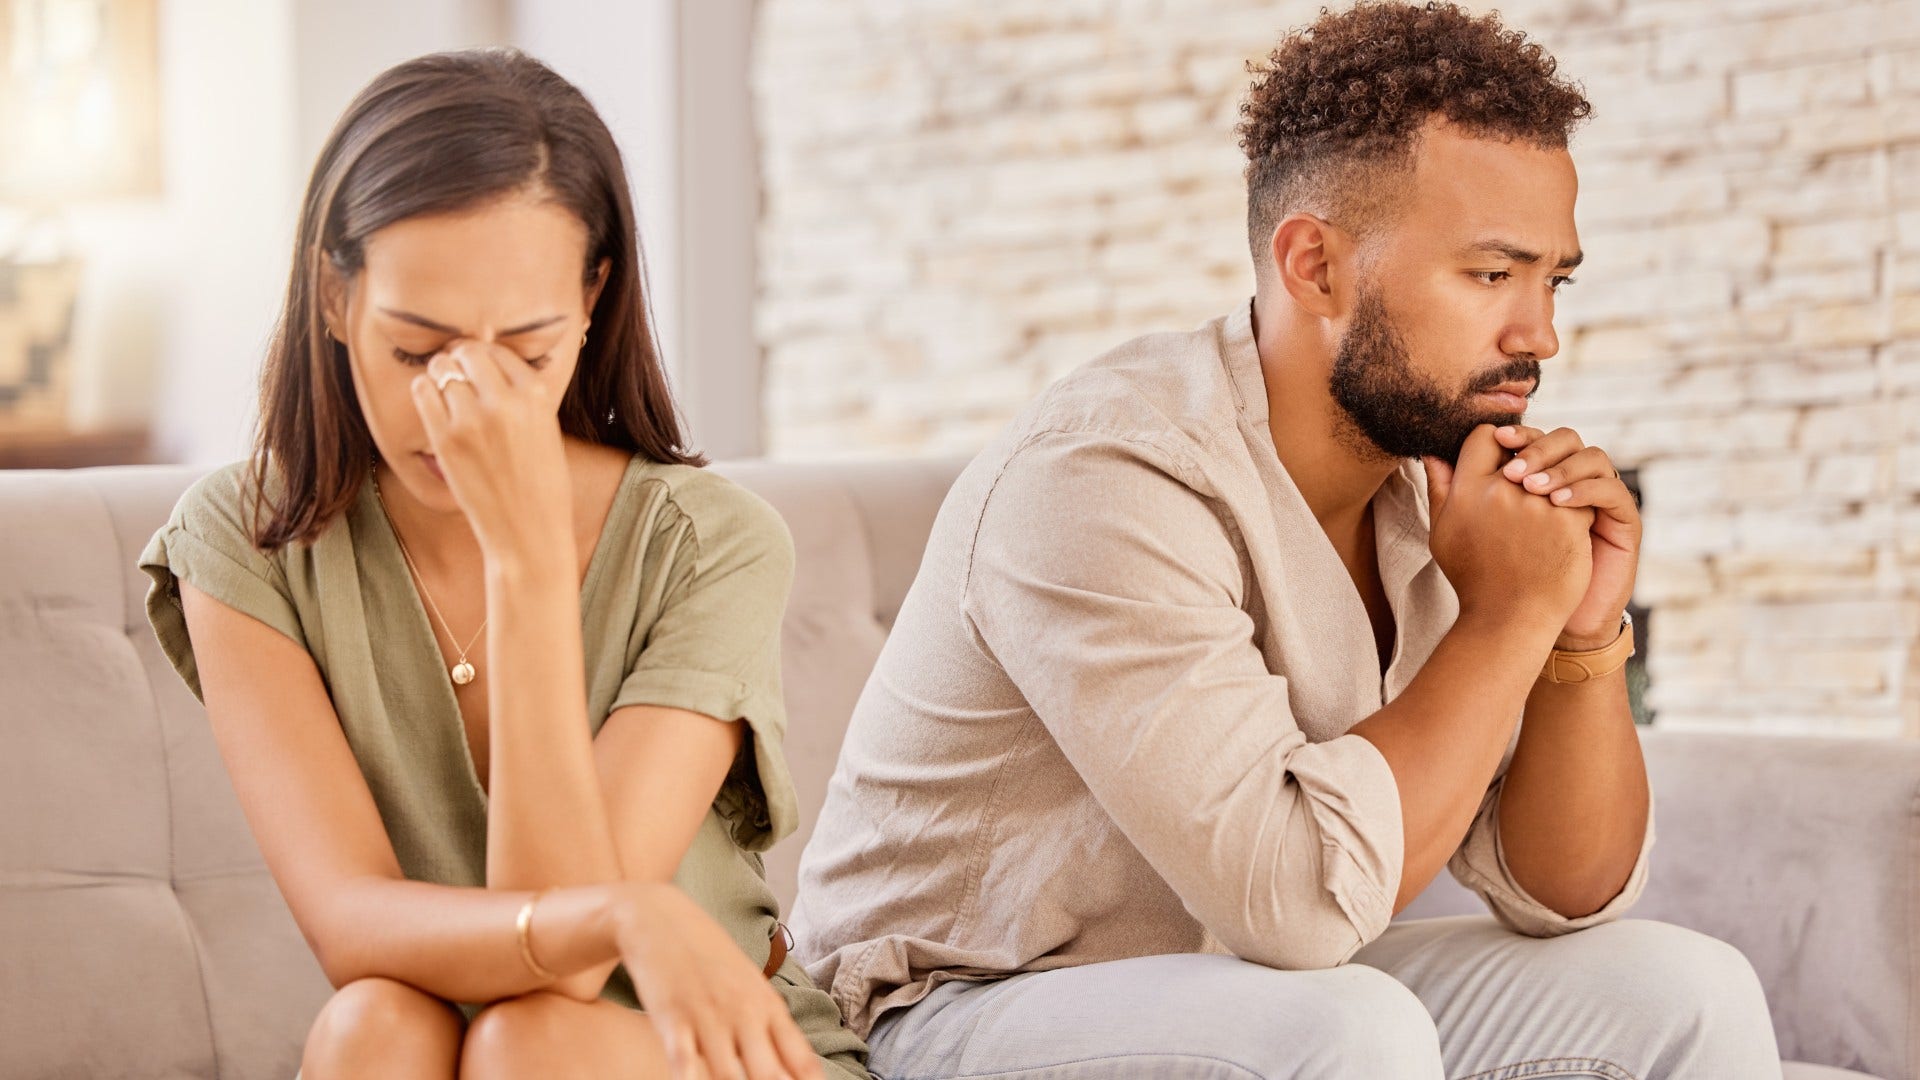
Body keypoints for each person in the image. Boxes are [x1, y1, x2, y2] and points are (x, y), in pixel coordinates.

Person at [792, 4, 1781, 1078]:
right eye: (1493, 276)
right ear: (1314, 265)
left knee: (1683, 992)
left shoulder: (1438, 482)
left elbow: (1561, 891)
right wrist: (1506, 614)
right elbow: (1298, 904)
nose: (1539, 333)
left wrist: (1578, 630)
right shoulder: (1104, 472)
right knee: (1350, 1029)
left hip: (1256, 993)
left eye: (1556, 280)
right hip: (951, 1012)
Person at [139, 48, 866, 1080]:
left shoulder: (712, 543)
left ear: (591, 304)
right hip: (441, 1044)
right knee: (372, 1025)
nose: (463, 400)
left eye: (526, 353)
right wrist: (620, 912)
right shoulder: (246, 537)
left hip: (707, 1054)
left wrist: (523, 559)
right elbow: (351, 926)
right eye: (415, 348)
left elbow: (564, 989)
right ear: (334, 300)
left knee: (536, 1044)